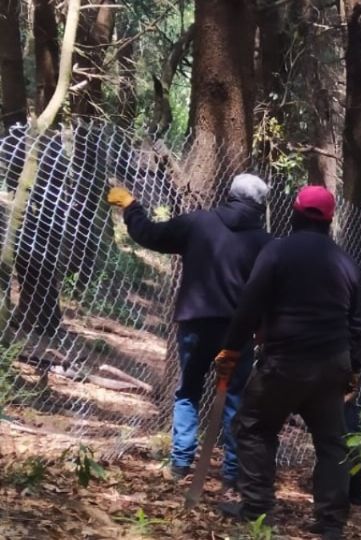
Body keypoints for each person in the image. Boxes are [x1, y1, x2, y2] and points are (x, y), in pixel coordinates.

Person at [215, 185, 361, 539]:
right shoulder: (345, 261)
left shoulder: (277, 251)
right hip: (332, 363)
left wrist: (231, 348)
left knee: (254, 426)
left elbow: (249, 304)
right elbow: (359, 324)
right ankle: (331, 523)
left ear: (295, 213)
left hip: (285, 361)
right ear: (330, 221)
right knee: (332, 443)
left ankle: (256, 509)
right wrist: (354, 368)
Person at [106, 174, 271, 487]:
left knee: (188, 392)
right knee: (234, 397)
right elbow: (270, 291)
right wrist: (262, 327)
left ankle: (181, 463)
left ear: (231, 194)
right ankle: (233, 474)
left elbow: (152, 235)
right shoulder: (264, 244)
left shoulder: (199, 223)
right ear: (260, 206)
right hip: (237, 332)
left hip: (195, 322)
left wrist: (131, 207)